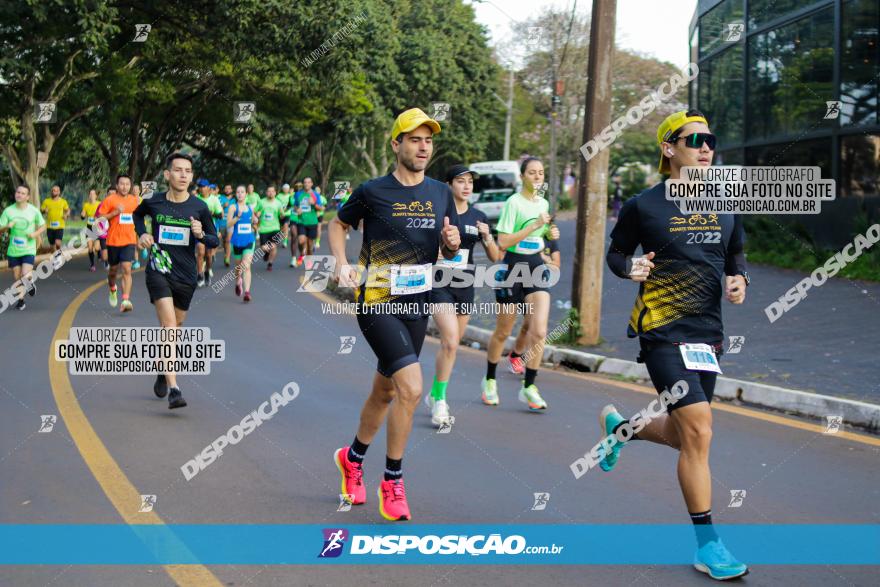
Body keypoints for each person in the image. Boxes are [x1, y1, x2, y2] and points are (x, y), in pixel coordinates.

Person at [599, 110, 750, 581]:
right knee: (700, 431)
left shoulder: (724, 202)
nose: (706, 148)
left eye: (711, 140)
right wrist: (630, 270)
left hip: (708, 336)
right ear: (669, 149)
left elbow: (735, 251)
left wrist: (738, 277)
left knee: (686, 434)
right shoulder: (645, 205)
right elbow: (616, 253)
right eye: (695, 140)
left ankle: (623, 429)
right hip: (662, 330)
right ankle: (709, 545)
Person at [329, 108, 460, 521]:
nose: (423, 147)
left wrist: (452, 244)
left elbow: (448, 247)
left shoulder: (441, 192)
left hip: (417, 302)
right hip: (377, 300)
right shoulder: (372, 191)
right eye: (415, 139)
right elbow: (338, 224)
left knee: (385, 392)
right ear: (396, 144)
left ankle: (352, 459)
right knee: (411, 388)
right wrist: (340, 261)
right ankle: (393, 479)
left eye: (428, 140)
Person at [134, 152, 219, 409]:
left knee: (177, 326)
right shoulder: (154, 201)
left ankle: (163, 368)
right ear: (167, 174)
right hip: (159, 270)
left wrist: (201, 234)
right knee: (169, 326)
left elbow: (214, 239)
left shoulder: (199, 207)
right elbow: (137, 216)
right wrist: (143, 234)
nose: (183, 175)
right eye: (178, 170)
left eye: (188, 171)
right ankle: (174, 388)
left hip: (186, 275)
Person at [480, 157, 558, 411]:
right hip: (511, 268)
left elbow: (540, 236)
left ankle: (529, 386)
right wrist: (535, 225)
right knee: (503, 331)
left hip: (536, 267)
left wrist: (548, 233)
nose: (537, 177)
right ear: (522, 177)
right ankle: (489, 379)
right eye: (532, 173)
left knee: (539, 330)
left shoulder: (544, 203)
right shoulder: (514, 203)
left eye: (541, 173)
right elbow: (503, 242)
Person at [427, 164, 501, 427]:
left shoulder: (479, 217)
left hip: (465, 287)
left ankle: (435, 391)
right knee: (449, 341)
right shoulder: (437, 214)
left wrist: (487, 236)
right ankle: (440, 401)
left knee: (453, 344)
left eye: (470, 181)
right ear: (449, 185)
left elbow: (496, 256)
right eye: (461, 181)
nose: (467, 186)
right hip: (439, 285)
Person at [507, 236, 560, 374]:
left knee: (535, 328)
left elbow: (556, 265)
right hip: (520, 280)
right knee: (528, 325)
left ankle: (526, 364)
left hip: (539, 283)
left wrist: (543, 257)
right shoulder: (525, 233)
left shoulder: (550, 239)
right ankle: (516, 356)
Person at [97, 174, 139, 312]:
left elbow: (139, 218)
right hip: (113, 241)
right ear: (117, 185)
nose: (124, 186)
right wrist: (115, 212)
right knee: (113, 271)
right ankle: (112, 288)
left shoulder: (134, 201)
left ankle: (126, 300)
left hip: (129, 240)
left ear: (130, 186)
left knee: (127, 268)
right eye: (122, 184)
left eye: (127, 184)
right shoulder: (110, 200)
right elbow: (100, 218)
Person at [0, 185, 45, 310]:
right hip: (14, 250)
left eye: (22, 193)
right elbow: (0, 230)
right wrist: (7, 227)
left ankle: (20, 300)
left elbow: (43, 225)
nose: (19, 194)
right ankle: (28, 286)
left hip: (28, 249)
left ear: (28, 197)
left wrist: (35, 234)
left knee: (25, 274)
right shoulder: (8, 211)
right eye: (18, 192)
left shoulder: (33, 210)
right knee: (17, 275)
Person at [227, 185, 256, 302]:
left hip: (249, 240)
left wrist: (255, 221)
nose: (240, 194)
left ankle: (247, 292)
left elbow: (253, 221)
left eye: (242, 192)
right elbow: (228, 224)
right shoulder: (233, 207)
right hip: (237, 241)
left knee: (246, 266)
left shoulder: (249, 208)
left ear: (246, 194)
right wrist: (237, 217)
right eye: (238, 192)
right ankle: (238, 281)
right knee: (238, 267)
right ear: (236, 194)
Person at [195, 179, 224, 287]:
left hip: (211, 230)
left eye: (203, 186)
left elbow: (220, 215)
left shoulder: (214, 199)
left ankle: (207, 271)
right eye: (200, 187)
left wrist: (212, 214)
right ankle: (199, 275)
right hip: (199, 230)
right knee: (200, 252)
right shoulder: (196, 199)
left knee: (208, 255)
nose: (202, 189)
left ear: (208, 188)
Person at [293, 177, 323, 268]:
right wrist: (297, 209)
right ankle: (302, 253)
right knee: (301, 240)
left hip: (312, 221)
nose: (306, 184)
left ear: (311, 184)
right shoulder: (298, 194)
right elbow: (295, 206)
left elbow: (320, 208)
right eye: (305, 182)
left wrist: (314, 203)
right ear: (303, 184)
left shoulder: (315, 195)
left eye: (308, 182)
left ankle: (309, 258)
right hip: (301, 221)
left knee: (310, 244)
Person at [255, 185, 284, 271]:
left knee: (274, 247)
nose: (270, 193)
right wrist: (257, 215)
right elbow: (255, 212)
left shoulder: (278, 203)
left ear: (275, 193)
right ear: (266, 192)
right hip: (264, 229)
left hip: (275, 228)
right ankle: (266, 253)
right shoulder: (261, 202)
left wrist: (282, 215)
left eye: (272, 191)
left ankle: (270, 263)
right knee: (264, 248)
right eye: (269, 191)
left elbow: (281, 215)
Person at [40, 185, 69, 251]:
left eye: (55, 191)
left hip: (60, 226)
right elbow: (41, 210)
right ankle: (56, 258)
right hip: (50, 226)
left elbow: (67, 210)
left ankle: (58, 254)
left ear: (59, 192)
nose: (53, 192)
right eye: (52, 190)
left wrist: (66, 215)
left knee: (58, 243)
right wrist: (44, 210)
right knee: (52, 246)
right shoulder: (46, 201)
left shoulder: (63, 201)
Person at [80, 189, 102, 272]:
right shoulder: (86, 205)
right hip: (89, 228)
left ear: (96, 196)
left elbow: (103, 214)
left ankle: (99, 251)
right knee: (90, 248)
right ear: (89, 196)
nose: (92, 195)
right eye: (90, 194)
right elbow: (83, 215)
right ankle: (92, 265)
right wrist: (82, 215)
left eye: (93, 194)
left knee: (96, 248)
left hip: (97, 228)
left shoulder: (99, 204)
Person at [288, 181, 304, 266]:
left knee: (301, 241)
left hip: (302, 219)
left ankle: (301, 254)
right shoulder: (291, 196)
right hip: (293, 218)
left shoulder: (305, 196)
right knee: (294, 236)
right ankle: (293, 258)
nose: (298, 187)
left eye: (300, 186)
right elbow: (288, 206)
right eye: (296, 186)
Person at [219, 184, 234, 267]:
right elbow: (217, 208)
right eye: (226, 188)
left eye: (229, 188)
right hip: (221, 223)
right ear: (224, 190)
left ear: (231, 190)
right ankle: (226, 254)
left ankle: (227, 257)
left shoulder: (234, 199)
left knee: (228, 240)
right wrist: (223, 206)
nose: (227, 190)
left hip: (230, 223)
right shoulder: (220, 198)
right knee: (224, 241)